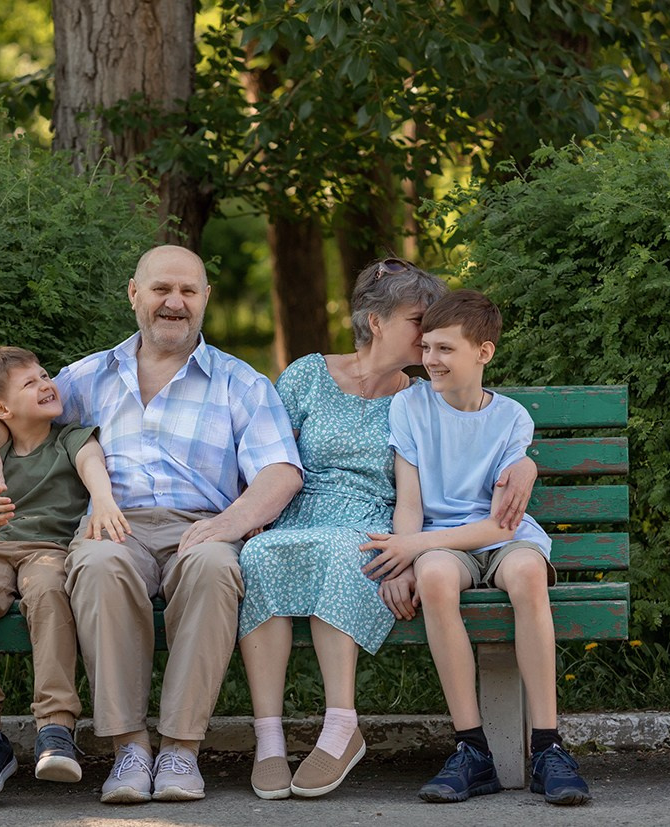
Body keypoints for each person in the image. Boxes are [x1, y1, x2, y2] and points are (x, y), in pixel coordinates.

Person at [0, 245, 303, 804]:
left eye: (188, 291)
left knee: (215, 569)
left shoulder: (240, 382)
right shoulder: (89, 376)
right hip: (116, 524)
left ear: (206, 298)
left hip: (203, 525)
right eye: (161, 289)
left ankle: (181, 750)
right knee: (96, 564)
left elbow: (280, 471)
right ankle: (130, 749)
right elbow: (21, 409)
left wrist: (233, 521)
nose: (174, 302)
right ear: (135, 294)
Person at [237, 260, 538, 800]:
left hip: (374, 522)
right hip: (300, 512)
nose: (428, 335)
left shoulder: (418, 397)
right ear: (375, 322)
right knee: (259, 556)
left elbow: (474, 438)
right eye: (419, 321)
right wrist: (253, 517)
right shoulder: (307, 375)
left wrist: (523, 463)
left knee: (341, 552)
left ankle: (340, 727)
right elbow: (270, 457)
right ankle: (269, 739)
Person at [362, 289, 591, 806]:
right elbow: (410, 501)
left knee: (528, 574)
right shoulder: (409, 406)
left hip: (500, 538)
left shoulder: (511, 419)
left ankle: (548, 747)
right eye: (427, 347)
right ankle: (472, 749)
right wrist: (405, 558)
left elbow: (497, 527)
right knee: (435, 577)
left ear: (483, 352)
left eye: (445, 349)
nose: (430, 359)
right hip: (442, 542)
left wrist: (416, 544)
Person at [0, 345, 129, 802]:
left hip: (50, 550)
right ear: (2, 410)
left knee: (48, 591)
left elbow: (92, 464)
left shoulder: (71, 439)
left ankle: (56, 727)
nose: (46, 384)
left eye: (45, 375)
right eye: (30, 383)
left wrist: (103, 499)